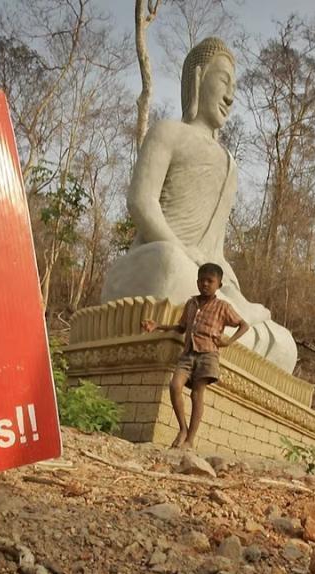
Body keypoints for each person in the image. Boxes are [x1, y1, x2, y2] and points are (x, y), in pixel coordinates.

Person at [102, 36, 297, 372]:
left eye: (234, 86)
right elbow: (141, 202)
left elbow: (215, 249)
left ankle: (225, 320)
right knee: (171, 264)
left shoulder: (228, 164)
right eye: (223, 80)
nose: (230, 96)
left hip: (203, 276)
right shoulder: (168, 132)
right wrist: (182, 250)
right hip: (159, 258)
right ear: (197, 79)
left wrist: (232, 291)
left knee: (284, 344)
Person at [141, 262, 250, 449]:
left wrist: (228, 342)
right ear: (197, 282)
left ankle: (190, 440)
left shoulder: (223, 306)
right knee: (175, 386)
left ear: (219, 285)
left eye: (210, 281)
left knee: (197, 394)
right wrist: (157, 326)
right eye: (202, 280)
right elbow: (181, 327)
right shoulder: (191, 303)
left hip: (208, 354)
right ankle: (182, 429)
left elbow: (244, 325)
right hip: (188, 353)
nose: (205, 284)